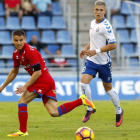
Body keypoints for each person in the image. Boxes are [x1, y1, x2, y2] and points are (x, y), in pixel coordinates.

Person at [0, 30, 96, 137]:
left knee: (22, 101)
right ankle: (81, 100)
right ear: (12, 40)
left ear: (25, 40)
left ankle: (22, 131)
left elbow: (38, 72)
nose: (19, 43)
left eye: (21, 40)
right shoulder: (16, 54)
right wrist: (2, 86)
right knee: (54, 112)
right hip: (46, 81)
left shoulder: (30, 51)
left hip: (42, 80)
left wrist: (25, 86)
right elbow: (14, 72)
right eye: (16, 40)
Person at [79, 0, 123, 127]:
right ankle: (90, 108)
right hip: (92, 61)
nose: (98, 12)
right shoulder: (93, 22)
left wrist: (96, 51)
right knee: (83, 83)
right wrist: (87, 48)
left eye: (101, 10)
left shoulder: (106, 26)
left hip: (104, 62)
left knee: (108, 89)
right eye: (96, 9)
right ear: (93, 10)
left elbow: (113, 45)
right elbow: (94, 39)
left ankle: (119, 111)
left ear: (105, 11)